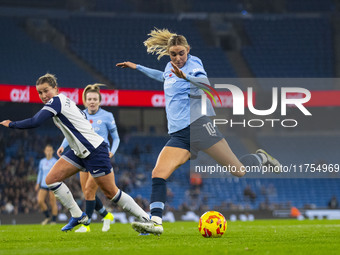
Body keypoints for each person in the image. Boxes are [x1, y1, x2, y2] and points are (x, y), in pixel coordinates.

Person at [116, 28, 281, 235]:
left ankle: (261, 157)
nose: (177, 58)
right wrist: (137, 67)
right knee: (158, 174)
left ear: (188, 50)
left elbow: (205, 85)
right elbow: (165, 77)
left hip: (200, 128)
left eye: (181, 53)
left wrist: (185, 77)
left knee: (238, 170)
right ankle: (155, 222)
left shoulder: (195, 65)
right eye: (173, 54)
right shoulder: (170, 67)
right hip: (179, 135)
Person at [0, 73, 150, 232]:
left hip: (94, 151)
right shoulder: (64, 100)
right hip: (79, 152)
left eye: (46, 91)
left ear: (55, 89)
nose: (43, 95)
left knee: (111, 192)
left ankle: (145, 219)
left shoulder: (56, 101)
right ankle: (78, 215)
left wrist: (12, 124)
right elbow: (81, 118)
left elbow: (35, 121)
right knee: (51, 179)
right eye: (40, 92)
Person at [57, 84, 118, 233]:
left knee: (90, 189)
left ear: (99, 101)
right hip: (83, 156)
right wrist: (62, 146)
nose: (92, 101)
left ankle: (86, 224)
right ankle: (107, 215)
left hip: (99, 157)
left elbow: (116, 138)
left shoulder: (107, 116)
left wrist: (112, 152)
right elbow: (72, 134)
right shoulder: (79, 114)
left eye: (94, 99)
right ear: (85, 101)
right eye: (89, 99)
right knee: (87, 192)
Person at [35, 144, 58, 225]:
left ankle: (54, 220)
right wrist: (38, 183)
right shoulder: (42, 161)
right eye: (47, 150)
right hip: (43, 184)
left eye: (50, 150)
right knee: (40, 200)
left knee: (53, 202)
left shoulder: (55, 161)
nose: (48, 152)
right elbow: (40, 173)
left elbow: (57, 173)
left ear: (53, 152)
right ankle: (47, 216)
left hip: (52, 184)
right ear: (44, 152)